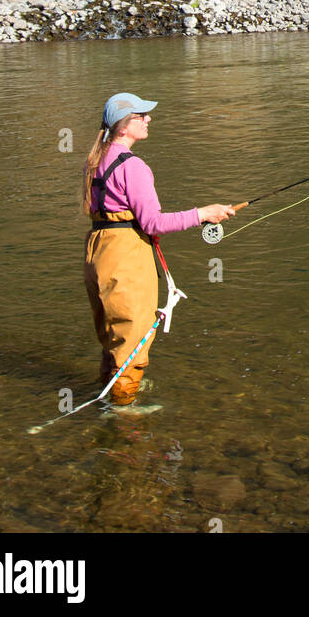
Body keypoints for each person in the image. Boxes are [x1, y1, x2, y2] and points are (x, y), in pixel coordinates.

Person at [83, 92, 235, 407]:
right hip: (126, 257)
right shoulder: (132, 165)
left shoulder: (96, 160)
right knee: (134, 339)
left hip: (98, 253)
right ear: (123, 127)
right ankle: (122, 414)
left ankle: (112, 397)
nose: (148, 119)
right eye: (141, 115)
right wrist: (203, 214)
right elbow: (152, 223)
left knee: (114, 335)